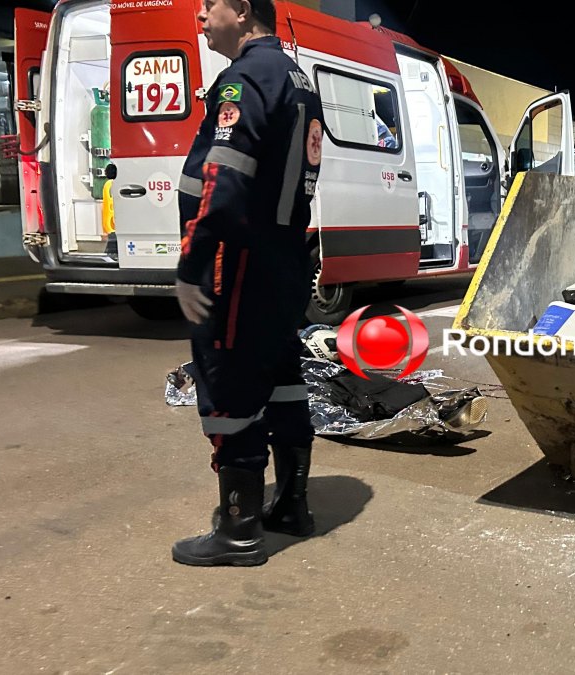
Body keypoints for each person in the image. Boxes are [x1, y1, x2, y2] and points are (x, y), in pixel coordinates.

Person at [171, 0, 325, 567]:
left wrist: (191, 265)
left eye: (208, 8)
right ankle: (291, 505)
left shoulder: (244, 79)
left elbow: (225, 180)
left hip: (238, 260)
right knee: (282, 375)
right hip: (284, 256)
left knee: (230, 381)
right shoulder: (296, 77)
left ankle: (238, 531)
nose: (200, 20)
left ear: (241, 10)